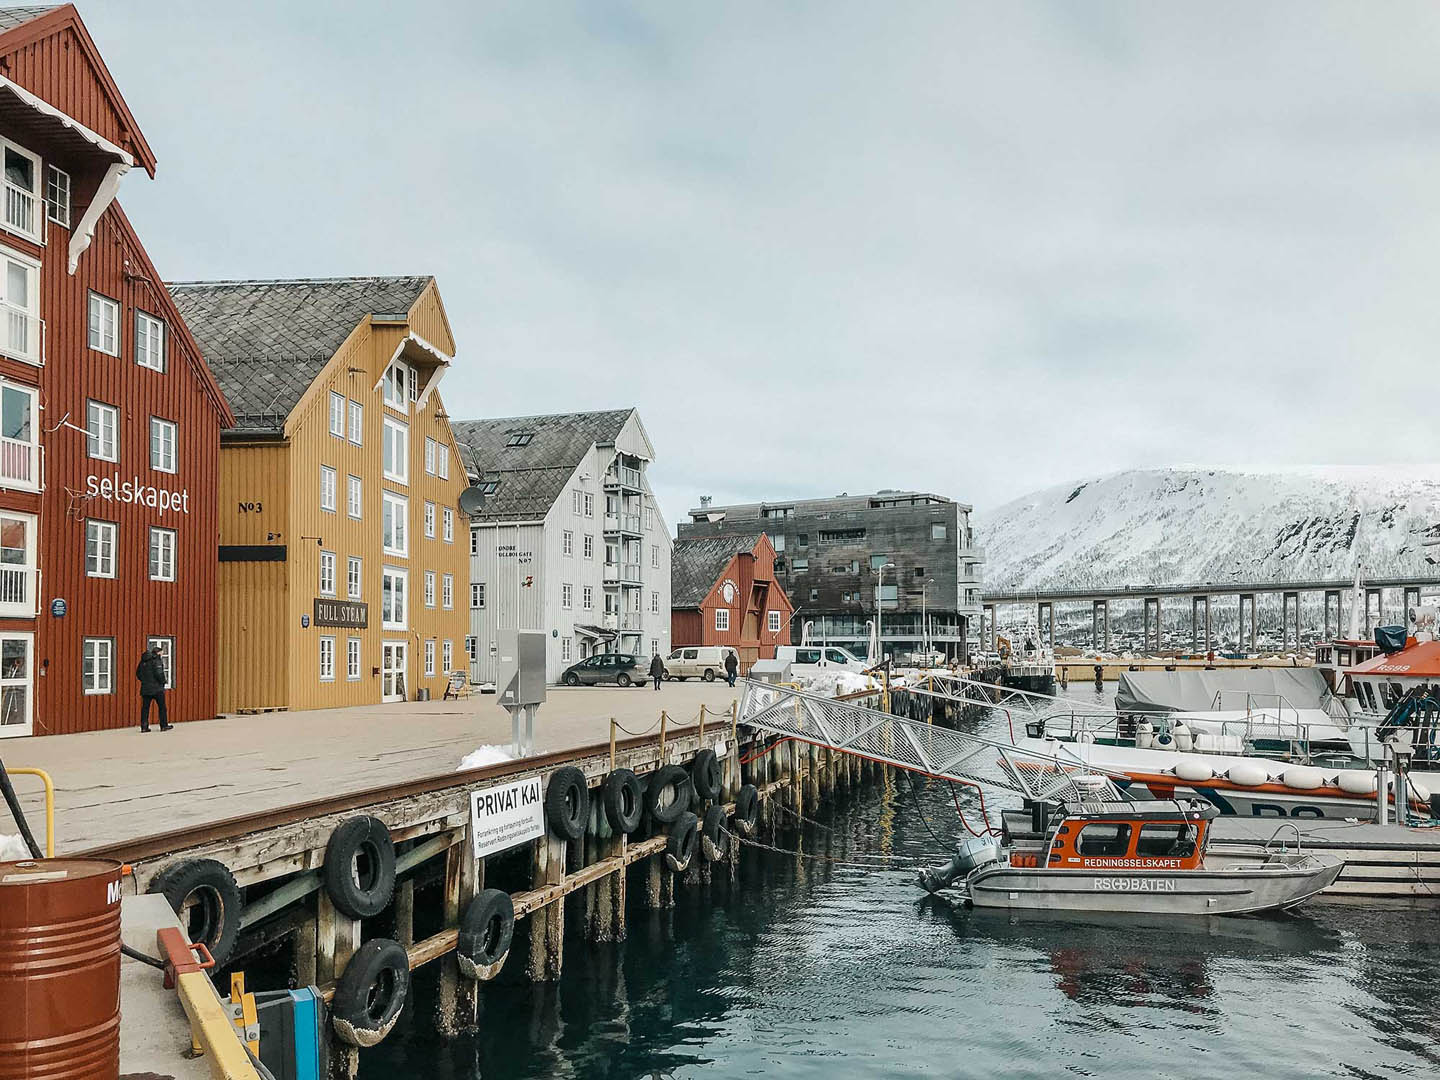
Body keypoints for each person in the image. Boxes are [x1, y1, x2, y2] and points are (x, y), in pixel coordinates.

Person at [136, 645, 171, 732]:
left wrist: (145, 681)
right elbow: (159, 673)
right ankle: (164, 725)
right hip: (157, 688)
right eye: (162, 653)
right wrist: (163, 682)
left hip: (145, 688)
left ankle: (144, 727)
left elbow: (138, 673)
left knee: (145, 708)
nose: (162, 654)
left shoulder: (143, 661)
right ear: (158, 653)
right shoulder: (157, 660)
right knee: (162, 707)